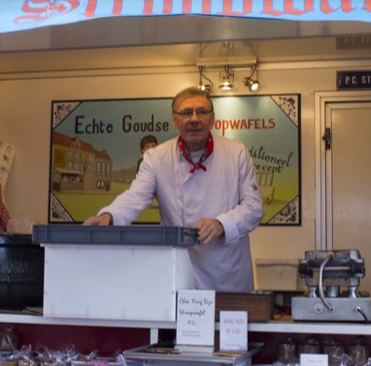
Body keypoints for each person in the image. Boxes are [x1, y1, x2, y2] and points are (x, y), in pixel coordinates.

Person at [84, 87, 264, 292]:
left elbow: (253, 207)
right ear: (174, 120)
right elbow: (135, 196)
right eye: (186, 113)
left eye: (202, 112)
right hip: (179, 273)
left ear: (212, 119)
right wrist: (109, 216)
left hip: (227, 278)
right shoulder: (157, 157)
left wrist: (221, 224)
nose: (194, 119)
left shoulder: (236, 153)